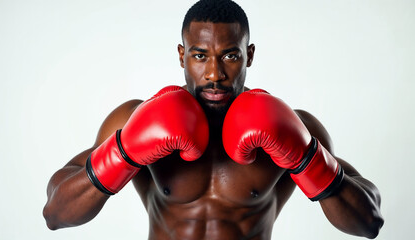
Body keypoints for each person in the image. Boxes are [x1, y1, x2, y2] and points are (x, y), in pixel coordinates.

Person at [43, 0, 384, 239]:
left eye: (230, 56)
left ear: (249, 55)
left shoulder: (294, 127)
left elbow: (369, 222)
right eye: (200, 55)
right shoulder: (133, 118)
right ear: (182, 56)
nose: (215, 73)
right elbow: (55, 215)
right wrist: (124, 152)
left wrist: (306, 157)